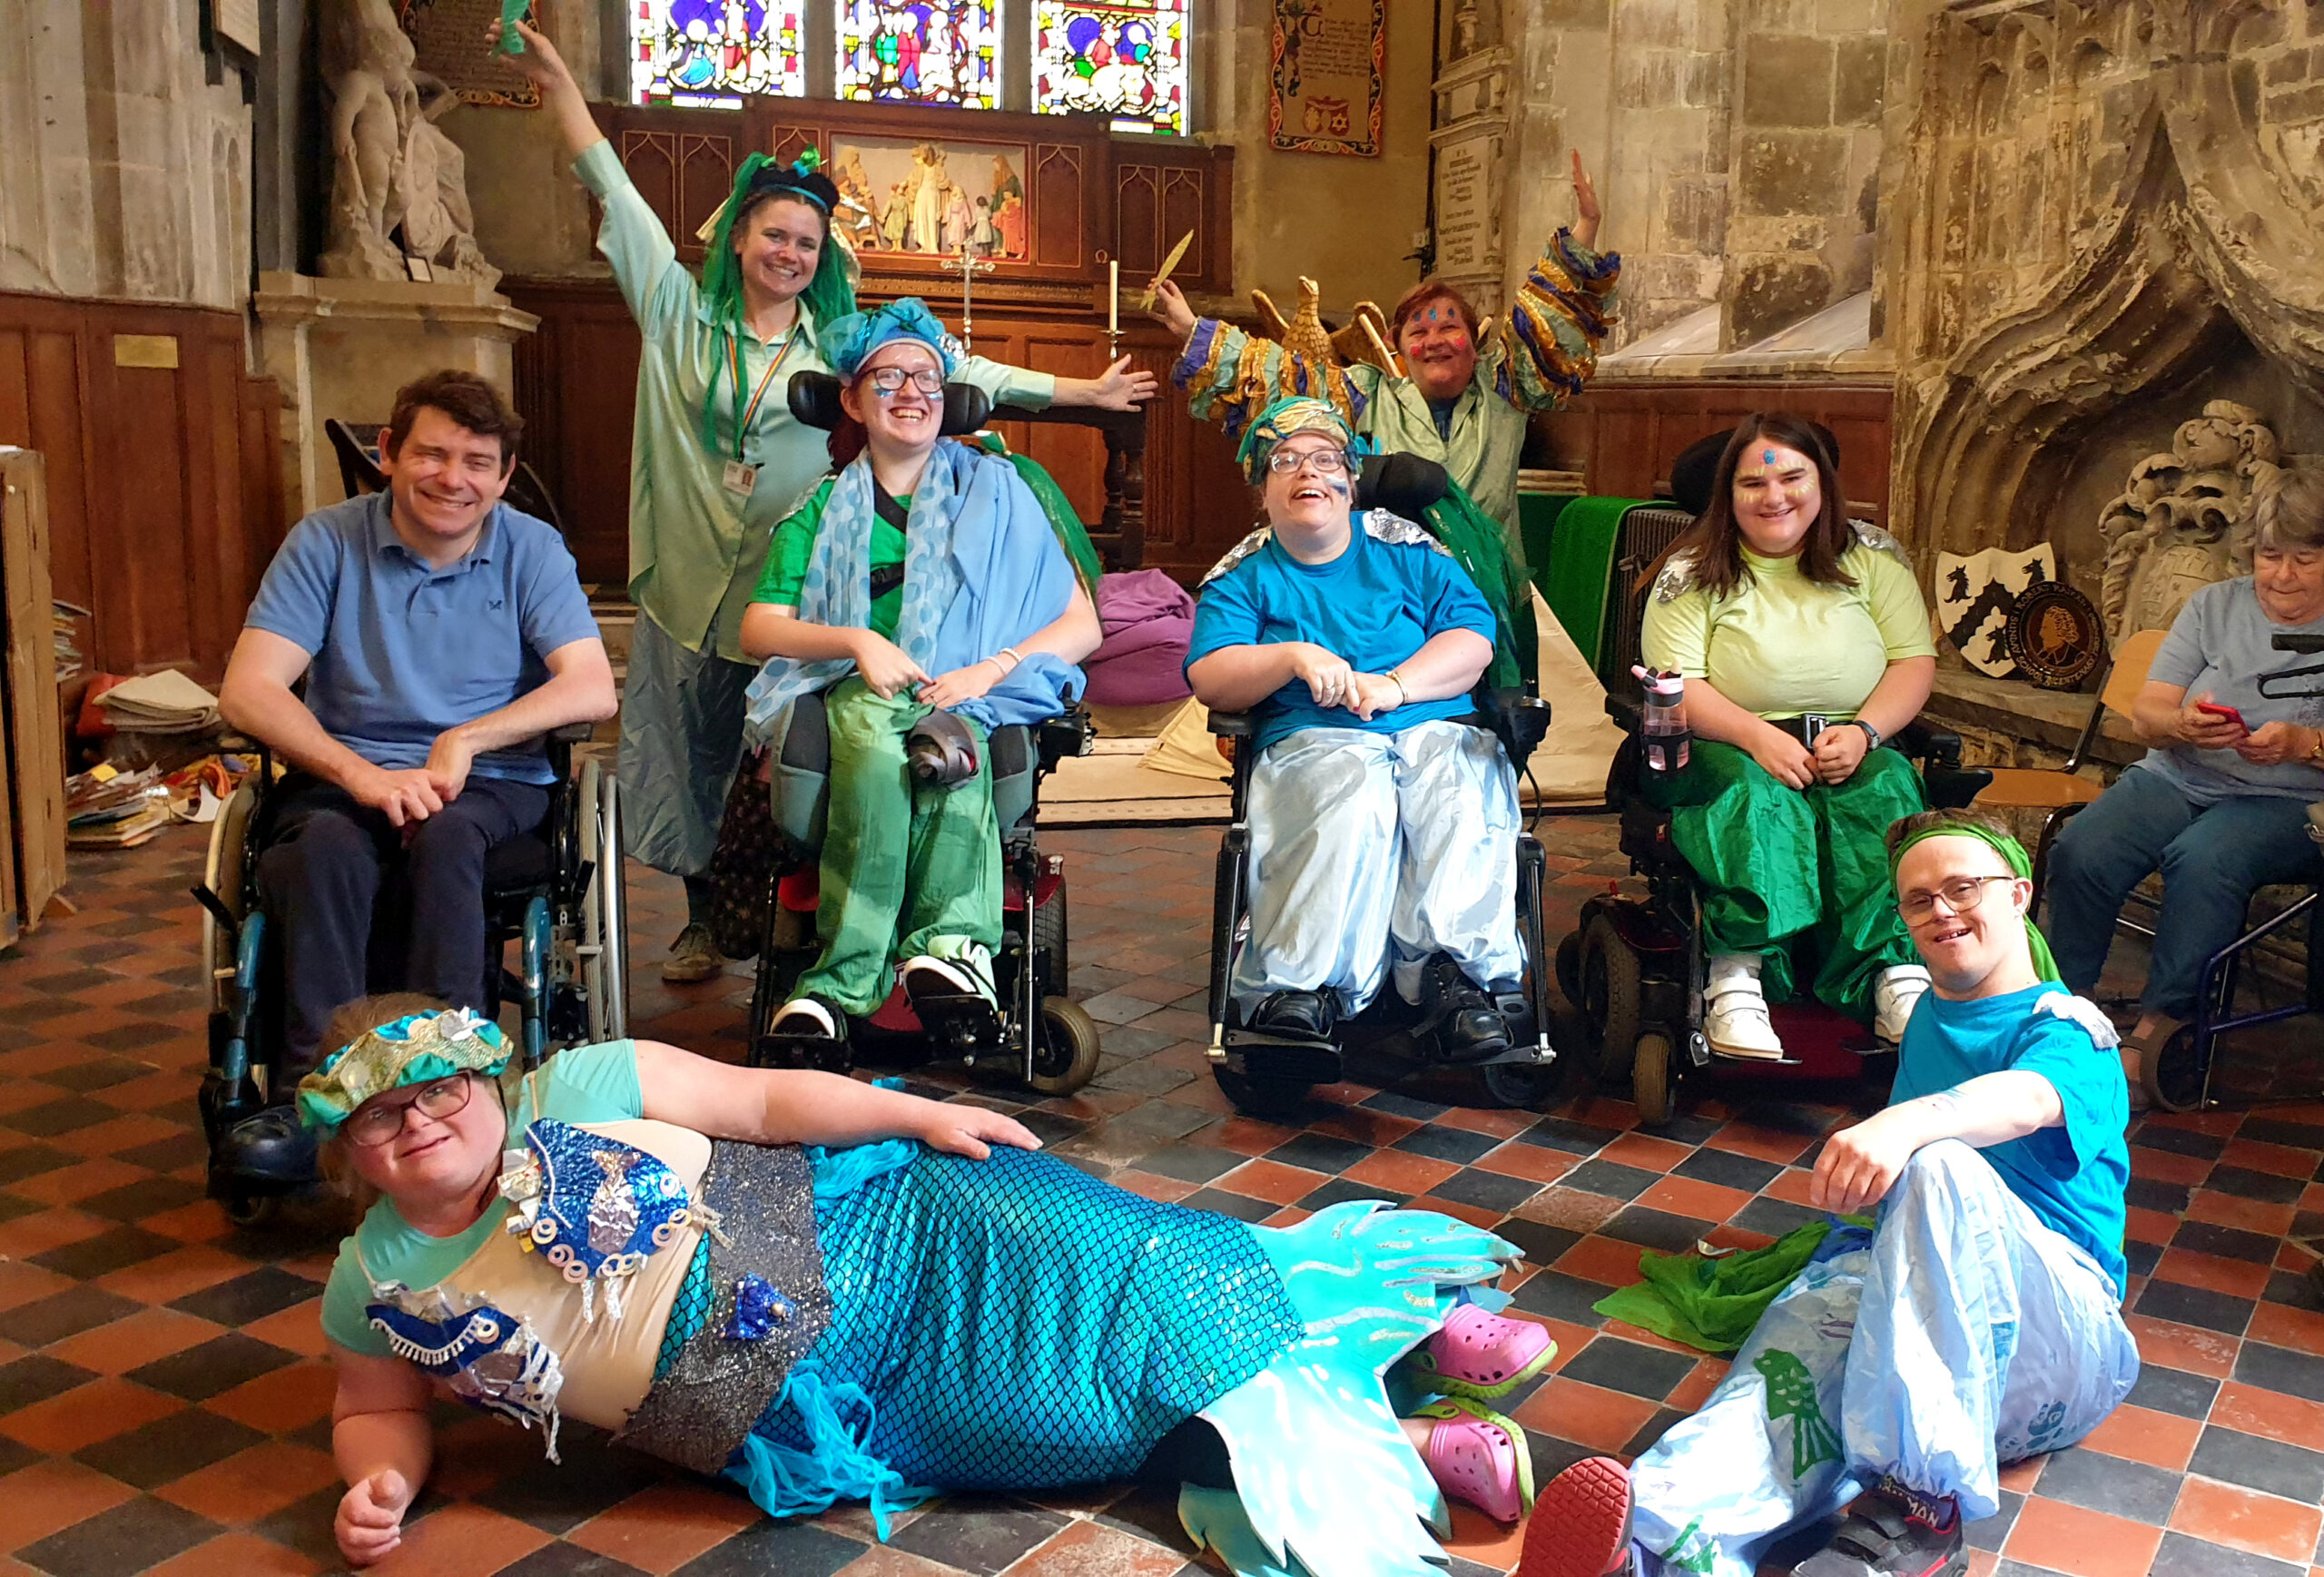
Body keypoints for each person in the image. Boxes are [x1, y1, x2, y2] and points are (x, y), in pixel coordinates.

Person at [311, 995, 1560, 1572]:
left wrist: (918, 1111)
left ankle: (1426, 1330)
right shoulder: (371, 1280)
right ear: (346, 1153)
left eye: (444, 1091)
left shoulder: (581, 1084)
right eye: (385, 1117)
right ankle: (1413, 1441)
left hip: (889, 1227)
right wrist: (381, 1478)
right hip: (810, 1401)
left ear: (489, 1080)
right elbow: (377, 1406)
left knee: (1125, 1256)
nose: (424, 1124)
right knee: (1075, 1414)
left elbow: (760, 1099)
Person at [496, 18, 1153, 985]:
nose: (789, 253)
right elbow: (619, 197)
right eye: (773, 235)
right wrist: (561, 88)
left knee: (779, 753)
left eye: (805, 241)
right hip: (688, 571)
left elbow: (953, 371)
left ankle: (789, 911)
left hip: (797, 575)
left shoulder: (839, 345)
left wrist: (1080, 394)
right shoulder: (680, 315)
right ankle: (697, 920)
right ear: (740, 239)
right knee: (689, 753)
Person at [1520, 809, 2138, 1577]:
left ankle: (1921, 1513)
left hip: (2061, 1352)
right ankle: (1654, 1536)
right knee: (1781, 1380)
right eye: (1919, 900)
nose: (1942, 910)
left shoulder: (2071, 1026)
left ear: (2018, 893)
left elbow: (2031, 1098)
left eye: (1963, 887)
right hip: (1932, 1350)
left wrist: (1912, 1121)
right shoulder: (1930, 1023)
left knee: (1937, 1163)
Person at [213, 371, 617, 1181]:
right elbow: (248, 688)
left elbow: (592, 686)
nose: (453, 478)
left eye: (478, 462)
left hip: (488, 783)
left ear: (503, 477)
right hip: (345, 770)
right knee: (316, 851)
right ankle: (313, 1100)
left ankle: (448, 1090)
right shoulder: (326, 541)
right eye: (432, 454)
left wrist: (464, 740)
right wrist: (359, 773)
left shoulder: (531, 548)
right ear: (389, 454)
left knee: (447, 839)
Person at [735, 300, 1099, 1038]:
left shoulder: (1000, 492)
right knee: (876, 740)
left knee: (952, 741)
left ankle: (950, 953)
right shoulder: (822, 507)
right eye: (889, 377)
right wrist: (857, 641)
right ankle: (847, 977)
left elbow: (1081, 625)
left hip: (971, 687)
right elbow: (758, 627)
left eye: (928, 378)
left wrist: (990, 671)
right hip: (862, 685)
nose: (911, 393)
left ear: (948, 396)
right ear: (851, 398)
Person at [1184, 398, 1523, 1058]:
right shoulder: (1244, 576)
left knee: (1455, 783)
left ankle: (1457, 978)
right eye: (1284, 460)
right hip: (1315, 733)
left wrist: (1396, 685)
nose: (1306, 472)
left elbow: (1473, 637)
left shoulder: (1409, 549)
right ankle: (1299, 986)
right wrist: (1290, 656)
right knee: (1349, 789)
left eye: (1324, 458)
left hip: (1430, 716)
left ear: (1351, 479)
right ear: (1262, 490)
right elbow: (1211, 675)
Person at [1150, 151, 1617, 574]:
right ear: (1398, 348)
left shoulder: (1505, 388)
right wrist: (1192, 328)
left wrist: (1586, 225)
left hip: (1486, 587)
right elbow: (1279, 377)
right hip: (1392, 587)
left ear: (1475, 343)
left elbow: (1547, 321)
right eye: (1419, 331)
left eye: (1449, 328)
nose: (1435, 341)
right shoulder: (1365, 394)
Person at [1639, 413, 1939, 1059]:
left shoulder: (1875, 559)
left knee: (1885, 787)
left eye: (1792, 477)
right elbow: (1678, 682)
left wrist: (1864, 731)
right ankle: (1737, 975)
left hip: (1854, 738)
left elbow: (1913, 660)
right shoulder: (1691, 571)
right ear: (1729, 494)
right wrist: (1757, 737)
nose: (1775, 497)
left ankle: (1892, 975)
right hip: (1725, 740)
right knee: (1755, 795)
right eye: (1753, 484)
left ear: (1822, 482)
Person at [2045, 465, 2324, 1099]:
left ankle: (2159, 1031)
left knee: (2203, 860)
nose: (2282, 574)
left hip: (2288, 797)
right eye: (2269, 555)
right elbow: (2149, 711)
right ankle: (2065, 1009)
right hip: (2181, 771)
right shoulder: (2213, 605)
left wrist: (2303, 743)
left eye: (2304, 559)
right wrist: (2183, 725)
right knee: (2086, 846)